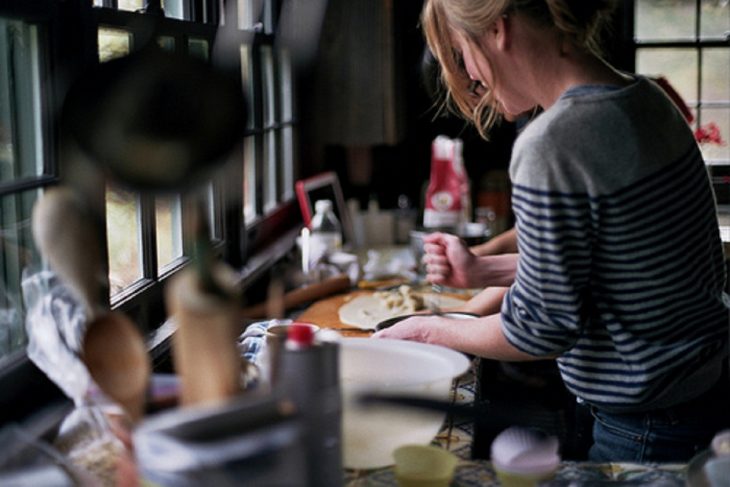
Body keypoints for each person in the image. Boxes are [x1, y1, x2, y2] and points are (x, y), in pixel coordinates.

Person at [374, 0, 730, 463]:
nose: (474, 78)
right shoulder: (645, 98)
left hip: (646, 425)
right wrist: (483, 269)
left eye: (465, 54)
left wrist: (432, 331)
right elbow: (613, 262)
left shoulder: (553, 143)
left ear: (499, 30)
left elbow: (540, 330)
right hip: (701, 395)